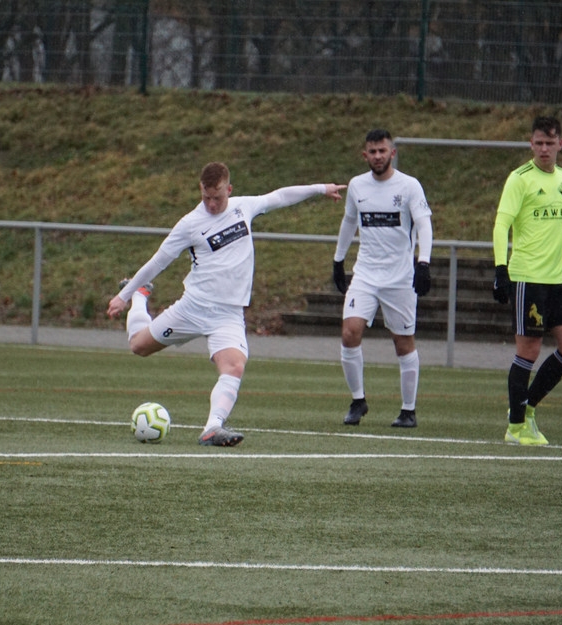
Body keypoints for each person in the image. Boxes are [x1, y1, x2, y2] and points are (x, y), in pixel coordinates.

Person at [107, 162, 345, 446]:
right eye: (206, 197)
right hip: (193, 308)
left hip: (228, 315)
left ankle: (212, 428)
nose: (211, 204)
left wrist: (321, 189)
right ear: (201, 190)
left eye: (217, 197)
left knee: (234, 367)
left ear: (229, 190)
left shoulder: (243, 207)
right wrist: (124, 296)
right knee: (138, 346)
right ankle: (140, 296)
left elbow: (280, 196)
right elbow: (158, 261)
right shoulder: (190, 224)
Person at [491, 115, 562, 446]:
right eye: (538, 143)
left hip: (558, 280)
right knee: (529, 351)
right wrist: (501, 269)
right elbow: (501, 224)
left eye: (549, 143)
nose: (543, 149)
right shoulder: (519, 179)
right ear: (531, 144)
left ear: (560, 144)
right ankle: (515, 426)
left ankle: (528, 409)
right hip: (528, 277)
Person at [332, 128, 433, 428]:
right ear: (365, 155)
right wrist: (338, 260)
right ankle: (358, 400)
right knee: (350, 332)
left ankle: (408, 411)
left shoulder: (409, 186)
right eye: (372, 152)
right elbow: (349, 221)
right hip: (365, 274)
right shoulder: (357, 186)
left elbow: (424, 225)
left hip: (400, 278)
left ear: (393, 153)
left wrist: (423, 263)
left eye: (382, 151)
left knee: (403, 342)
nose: (378, 156)